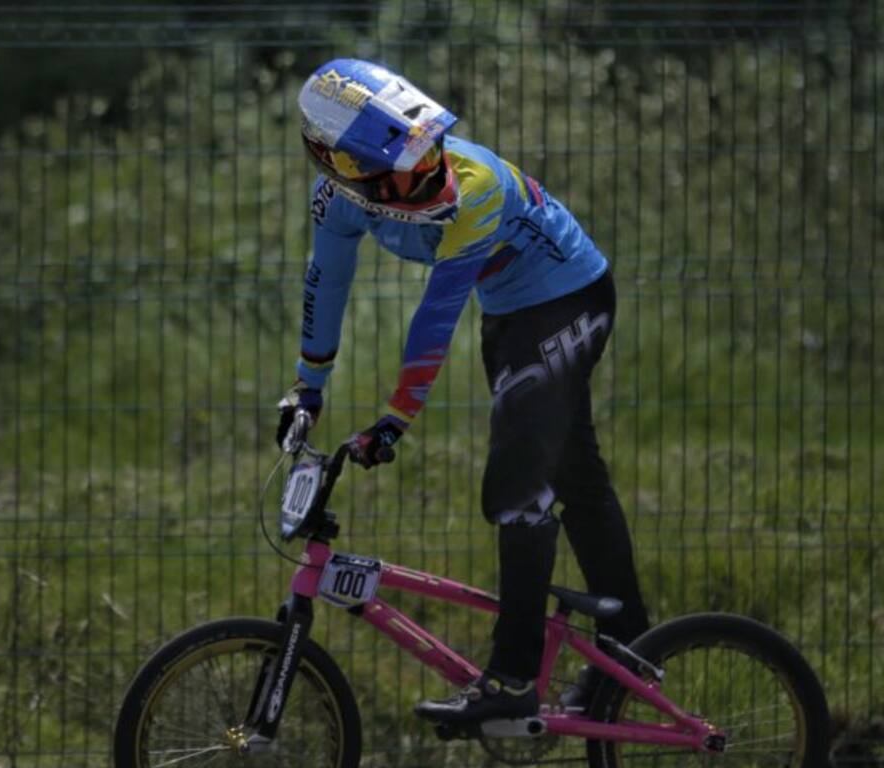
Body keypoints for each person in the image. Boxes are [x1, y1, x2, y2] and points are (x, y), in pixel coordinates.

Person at [276, 58, 650, 725]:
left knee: (517, 487)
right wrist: (308, 389)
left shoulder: (473, 186)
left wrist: (395, 418)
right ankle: (634, 652)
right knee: (573, 474)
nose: (431, 174)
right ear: (345, 170)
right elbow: (324, 283)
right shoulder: (337, 203)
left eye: (430, 151)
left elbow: (438, 313)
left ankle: (511, 680)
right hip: (512, 314)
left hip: (572, 299)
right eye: (408, 167)